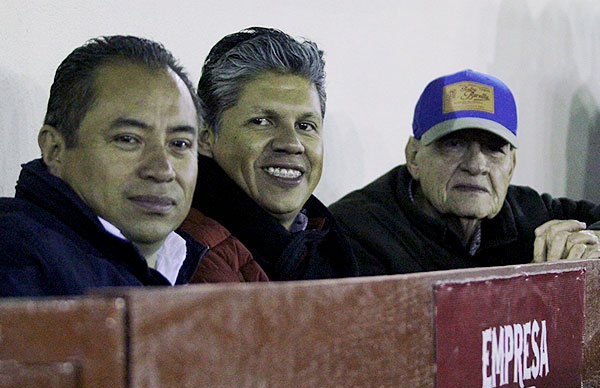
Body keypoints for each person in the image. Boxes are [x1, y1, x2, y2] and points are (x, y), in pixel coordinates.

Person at [329, 69, 600, 276]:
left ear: (511, 165)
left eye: (493, 148)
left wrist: (592, 241)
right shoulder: (356, 231)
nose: (476, 165)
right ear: (414, 156)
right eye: (454, 144)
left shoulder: (529, 213)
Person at [0, 35, 210, 297]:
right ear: (54, 149)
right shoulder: (15, 261)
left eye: (179, 144)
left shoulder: (180, 260)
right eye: (128, 139)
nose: (162, 170)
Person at [180, 27, 358, 281]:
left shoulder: (328, 240)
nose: (291, 143)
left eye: (305, 126)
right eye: (262, 122)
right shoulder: (194, 254)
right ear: (206, 136)